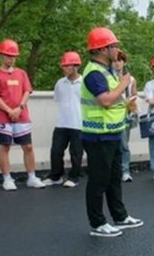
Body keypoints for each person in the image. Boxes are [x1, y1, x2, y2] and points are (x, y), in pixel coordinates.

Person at [80, 27, 142, 238]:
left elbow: (113, 100)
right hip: (98, 135)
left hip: (113, 133)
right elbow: (105, 100)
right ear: (102, 49)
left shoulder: (107, 70)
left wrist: (126, 105)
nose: (117, 49)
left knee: (114, 178)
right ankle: (98, 223)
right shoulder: (94, 73)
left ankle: (120, 216)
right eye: (113, 46)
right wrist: (124, 84)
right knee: (99, 180)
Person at [0, 39, 45, 191]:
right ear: (2, 56)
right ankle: (7, 179)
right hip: (2, 117)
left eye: (14, 56)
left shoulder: (21, 73)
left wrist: (19, 108)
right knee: (5, 146)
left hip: (22, 116)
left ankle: (32, 177)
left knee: (28, 146)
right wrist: (9, 110)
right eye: (9, 56)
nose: (12, 59)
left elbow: (27, 91)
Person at [44, 51, 83, 188]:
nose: (64, 68)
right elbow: (58, 99)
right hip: (62, 122)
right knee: (56, 151)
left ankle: (74, 177)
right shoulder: (60, 83)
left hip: (79, 123)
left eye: (67, 66)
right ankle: (56, 176)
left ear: (76, 66)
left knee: (76, 153)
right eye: (64, 66)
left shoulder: (84, 83)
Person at [112, 50, 136, 182]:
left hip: (126, 115)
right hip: (112, 114)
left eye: (119, 60)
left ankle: (125, 171)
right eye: (115, 61)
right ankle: (114, 171)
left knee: (124, 145)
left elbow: (134, 96)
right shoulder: (109, 78)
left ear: (124, 62)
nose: (117, 63)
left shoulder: (130, 79)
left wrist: (130, 103)